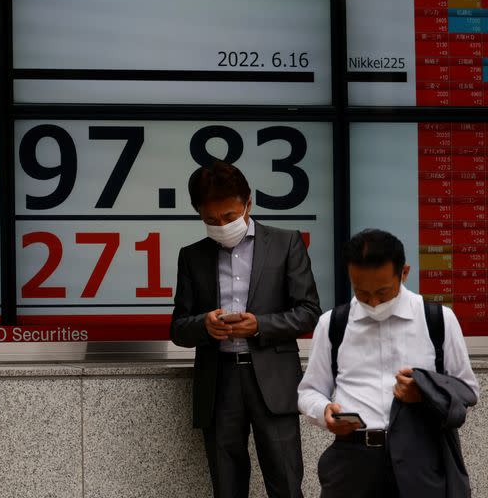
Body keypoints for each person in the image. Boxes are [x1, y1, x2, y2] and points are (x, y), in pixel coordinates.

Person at [171, 161, 321, 498]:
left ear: (248, 204)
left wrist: (260, 325)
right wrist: (204, 325)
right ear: (199, 213)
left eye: (228, 217)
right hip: (219, 381)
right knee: (227, 485)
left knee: (285, 481)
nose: (221, 225)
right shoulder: (192, 256)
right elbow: (178, 328)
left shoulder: (286, 244)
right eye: (211, 220)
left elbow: (310, 312)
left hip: (273, 379)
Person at [298, 229, 479, 497]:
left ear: (404, 273)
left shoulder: (437, 319)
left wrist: (424, 394)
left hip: (422, 459)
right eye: (361, 292)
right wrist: (325, 412)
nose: (373, 302)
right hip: (352, 462)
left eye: (383, 292)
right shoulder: (333, 323)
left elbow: (468, 390)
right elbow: (308, 391)